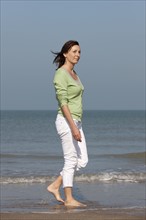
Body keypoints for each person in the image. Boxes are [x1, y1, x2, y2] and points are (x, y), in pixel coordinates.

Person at [47, 40, 88, 207]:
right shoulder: (61, 74)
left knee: (82, 160)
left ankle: (56, 185)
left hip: (76, 121)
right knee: (70, 159)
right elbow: (63, 102)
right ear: (65, 54)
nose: (77, 54)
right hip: (66, 121)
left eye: (79, 52)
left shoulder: (74, 74)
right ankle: (69, 199)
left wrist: (76, 126)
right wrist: (72, 127)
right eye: (74, 51)